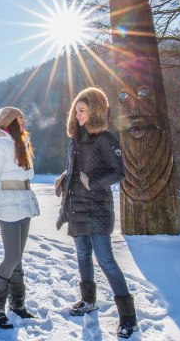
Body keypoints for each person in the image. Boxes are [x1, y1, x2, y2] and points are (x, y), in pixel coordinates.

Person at [54, 87, 138, 338]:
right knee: (82, 255)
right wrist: (65, 177)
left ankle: (129, 318)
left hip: (97, 209)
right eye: (76, 110)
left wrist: (93, 182)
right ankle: (88, 301)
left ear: (96, 111)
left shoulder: (105, 138)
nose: (78, 115)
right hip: (76, 206)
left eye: (83, 110)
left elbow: (118, 172)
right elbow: (77, 169)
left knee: (106, 261)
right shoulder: (75, 139)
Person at [0, 105, 41, 330]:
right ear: (11, 121)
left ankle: (17, 304)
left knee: (19, 257)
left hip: (24, 202)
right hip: (8, 204)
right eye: (21, 118)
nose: (24, 121)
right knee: (11, 256)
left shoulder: (20, 142)